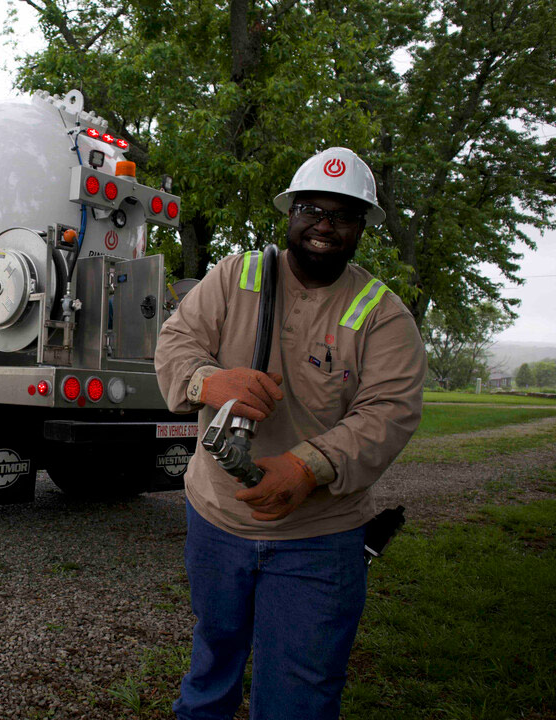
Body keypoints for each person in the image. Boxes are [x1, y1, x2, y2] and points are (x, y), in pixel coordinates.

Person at [154, 147, 425, 720]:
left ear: (361, 228)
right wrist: (208, 381)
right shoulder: (236, 275)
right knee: (212, 660)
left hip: (321, 539)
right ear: (290, 214)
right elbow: (177, 342)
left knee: (298, 694)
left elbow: (389, 411)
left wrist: (308, 466)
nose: (324, 224)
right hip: (216, 521)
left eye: (342, 214)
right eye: (312, 208)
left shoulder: (383, 315)